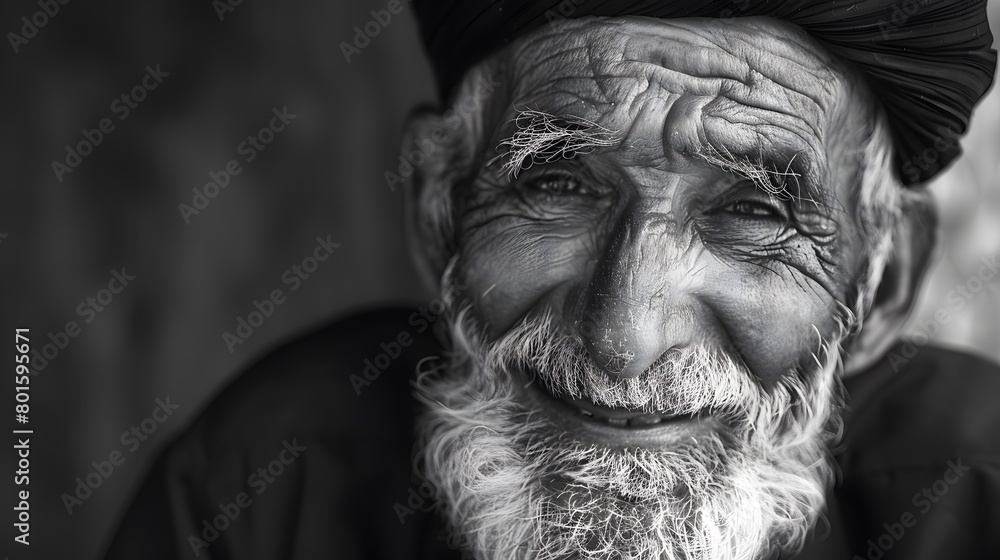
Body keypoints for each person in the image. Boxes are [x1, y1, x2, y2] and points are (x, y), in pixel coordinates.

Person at [104, 1, 999, 558]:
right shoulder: (268, 488)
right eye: (559, 187)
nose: (624, 339)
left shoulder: (977, 503)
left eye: (756, 214)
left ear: (881, 283)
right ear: (438, 215)